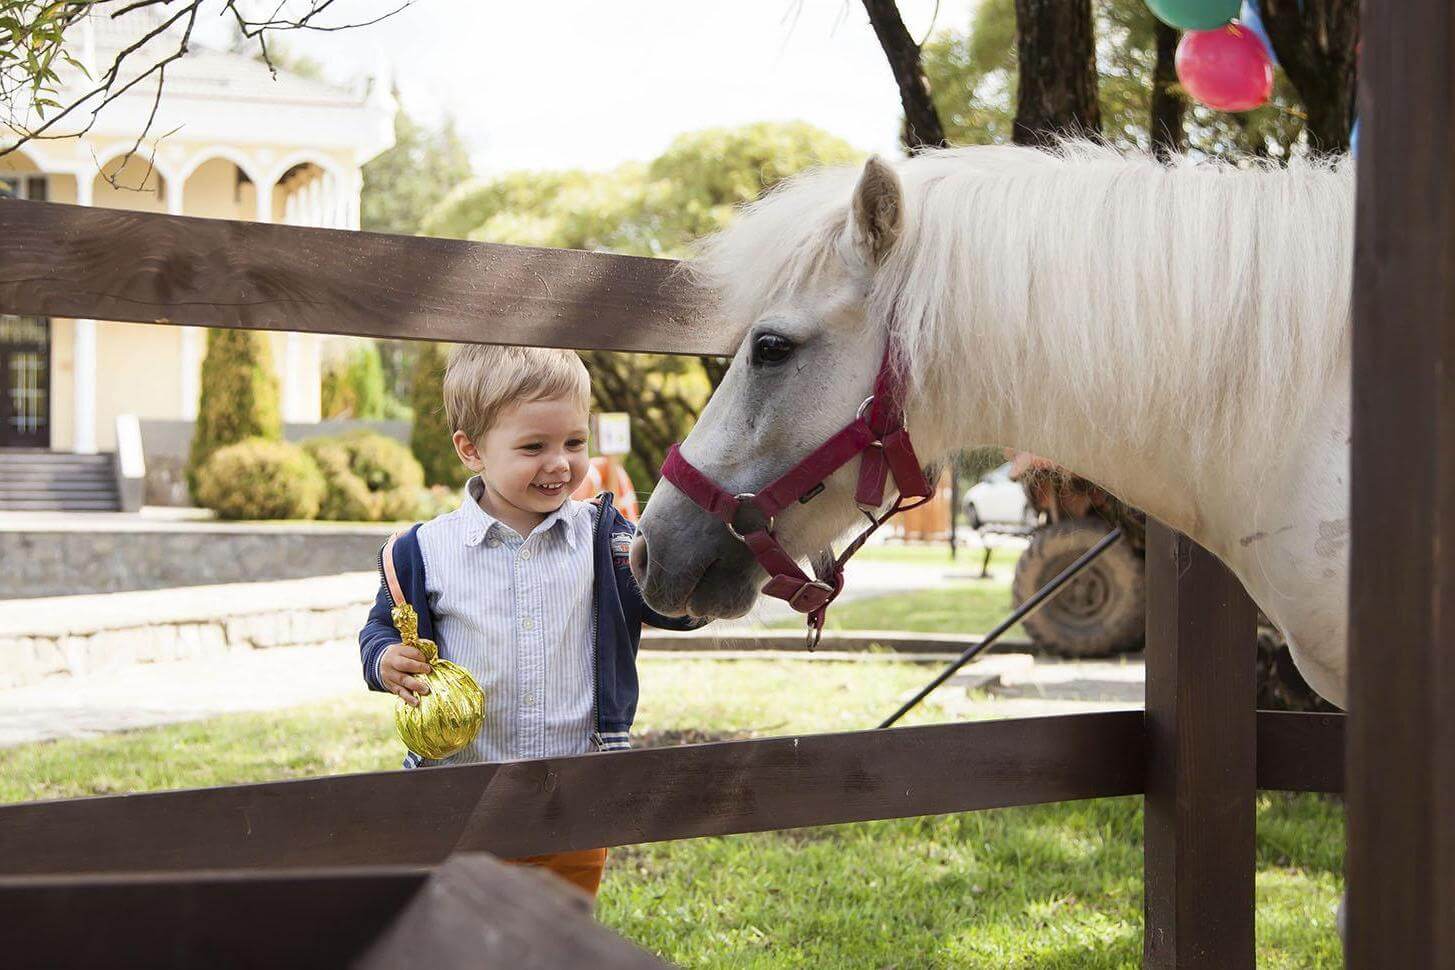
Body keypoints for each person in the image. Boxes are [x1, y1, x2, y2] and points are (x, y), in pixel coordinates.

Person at [358, 344, 703, 899]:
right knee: (465, 930)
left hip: (575, 794)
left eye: (574, 442)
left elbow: (667, 604)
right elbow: (381, 629)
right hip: (464, 793)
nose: (559, 464)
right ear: (472, 450)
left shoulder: (604, 539)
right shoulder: (424, 552)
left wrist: (702, 584)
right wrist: (385, 660)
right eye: (533, 447)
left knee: (559, 931)